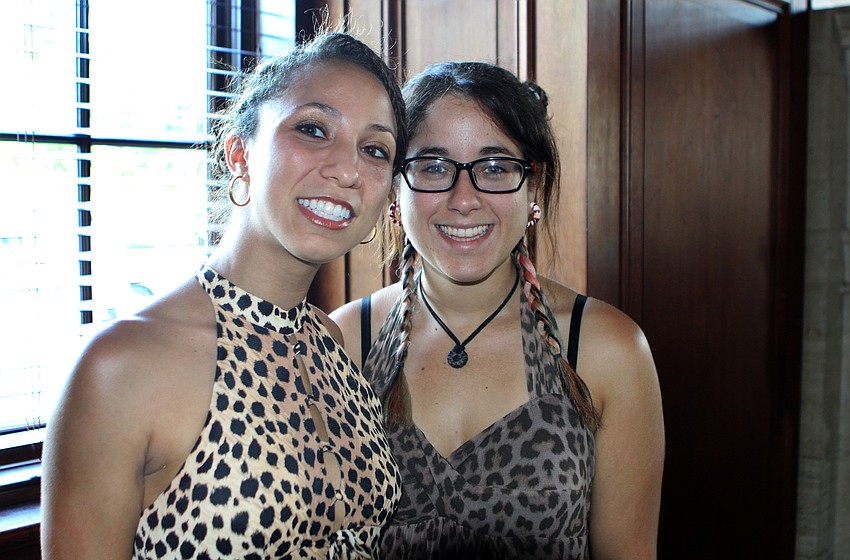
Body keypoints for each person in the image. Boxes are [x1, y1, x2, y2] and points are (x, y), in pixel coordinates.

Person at [41, 31, 408, 559]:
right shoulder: (122, 366)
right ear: (239, 153)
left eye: (374, 150)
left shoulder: (332, 343)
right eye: (312, 129)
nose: (347, 170)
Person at [330, 61, 665, 559]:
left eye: (494, 167)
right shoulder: (344, 341)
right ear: (395, 190)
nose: (464, 199)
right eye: (434, 167)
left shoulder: (604, 350)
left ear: (533, 186)